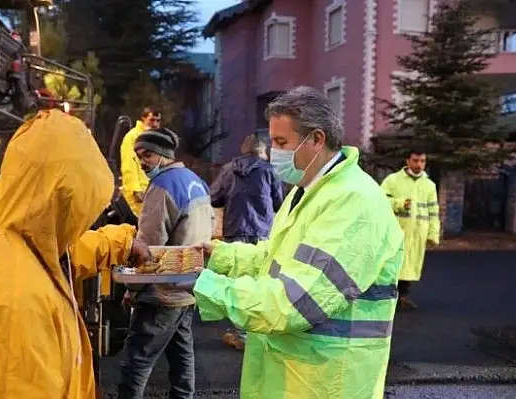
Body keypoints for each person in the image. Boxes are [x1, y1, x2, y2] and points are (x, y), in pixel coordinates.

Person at [187, 86, 405, 398]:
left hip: (325, 381)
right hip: (296, 371)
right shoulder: (310, 189)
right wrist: (219, 257)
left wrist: (204, 284)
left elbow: (297, 301)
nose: (274, 153)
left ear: (316, 139)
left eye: (281, 142)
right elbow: (277, 257)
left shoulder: (354, 202)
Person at [0, 109, 151, 399]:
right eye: (81, 210)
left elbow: (57, 251)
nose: (80, 224)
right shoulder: (17, 304)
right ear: (62, 201)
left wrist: (122, 242)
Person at [117, 128, 214, 399]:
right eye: (138, 156)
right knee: (182, 356)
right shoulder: (195, 180)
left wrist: (131, 289)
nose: (142, 161)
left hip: (161, 292)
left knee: (137, 361)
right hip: (187, 287)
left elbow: (146, 248)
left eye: (146, 154)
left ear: (163, 154)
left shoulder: (162, 188)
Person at [209, 134, 283, 350]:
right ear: (262, 151)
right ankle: (259, 331)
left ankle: (241, 333)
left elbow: (214, 198)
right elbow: (279, 202)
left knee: (239, 283)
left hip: (235, 230)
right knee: (261, 282)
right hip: (262, 233)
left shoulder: (229, 169)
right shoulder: (269, 171)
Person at [381, 149, 440, 310]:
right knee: (393, 264)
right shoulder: (393, 180)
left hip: (417, 232)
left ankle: (403, 297)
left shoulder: (429, 185)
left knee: (410, 266)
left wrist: (433, 234)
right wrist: (399, 203)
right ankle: (388, 297)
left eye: (422, 161)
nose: (419, 164)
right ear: (407, 161)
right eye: (415, 160)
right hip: (397, 230)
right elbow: (379, 200)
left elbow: (433, 210)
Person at [120, 106, 162, 216]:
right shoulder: (133, 137)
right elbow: (129, 165)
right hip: (139, 195)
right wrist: (135, 189)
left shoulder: (153, 139)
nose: (155, 124)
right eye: (152, 120)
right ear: (143, 119)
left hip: (150, 192)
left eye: (158, 121)